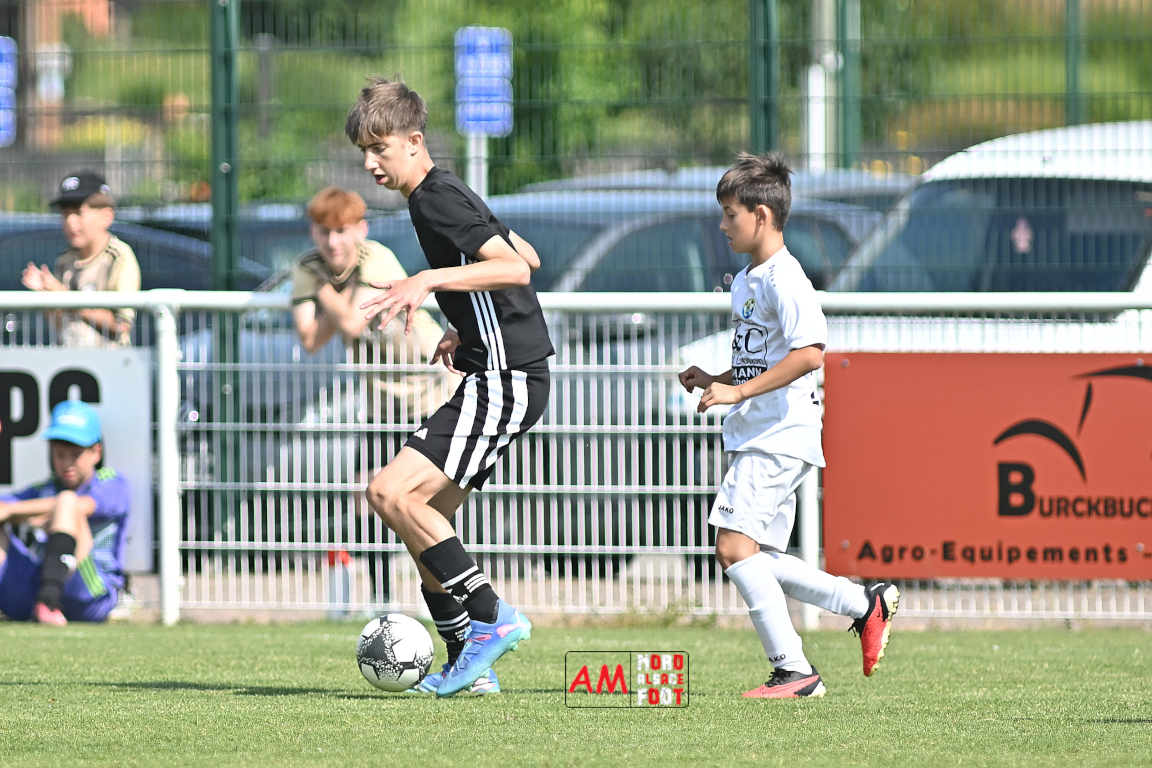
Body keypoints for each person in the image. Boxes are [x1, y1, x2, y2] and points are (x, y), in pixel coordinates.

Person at [346, 77, 553, 698]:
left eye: (379, 148)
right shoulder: (443, 191)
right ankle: (470, 661)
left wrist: (426, 281)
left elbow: (514, 269)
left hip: (506, 378)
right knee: (425, 518)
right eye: (365, 151)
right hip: (504, 371)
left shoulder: (435, 198)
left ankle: (492, 617)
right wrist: (466, 329)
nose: (370, 163)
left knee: (387, 491)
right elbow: (528, 254)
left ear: (414, 141)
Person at [678, 152, 898, 698]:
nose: (722, 225)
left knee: (732, 548)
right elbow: (763, 359)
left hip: (777, 435)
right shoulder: (748, 278)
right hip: (762, 433)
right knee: (759, 557)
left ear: (761, 215)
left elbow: (809, 353)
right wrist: (717, 378)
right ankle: (862, 603)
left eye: (729, 214)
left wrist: (738, 392)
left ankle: (794, 671)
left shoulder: (786, 277)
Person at [290, 185, 459, 604]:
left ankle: (446, 595)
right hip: (382, 406)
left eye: (342, 231)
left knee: (431, 506)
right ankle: (383, 596)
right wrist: (327, 290)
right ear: (313, 233)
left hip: (430, 395)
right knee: (369, 499)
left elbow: (351, 322)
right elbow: (310, 340)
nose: (333, 242)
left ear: (360, 230)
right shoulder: (310, 267)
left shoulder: (375, 258)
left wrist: (321, 290)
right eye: (325, 231)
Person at [0, 401, 130, 625]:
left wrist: (16, 511)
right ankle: (43, 604)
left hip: (92, 595)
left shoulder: (112, 483)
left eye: (76, 454)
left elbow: (78, 506)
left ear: (96, 452)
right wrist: (16, 512)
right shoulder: (45, 488)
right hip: (35, 587)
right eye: (60, 454)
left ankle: (48, 601)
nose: (67, 464)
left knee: (67, 501)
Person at [21, 171, 142, 348]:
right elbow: (59, 325)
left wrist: (66, 297)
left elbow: (121, 325)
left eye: (79, 212)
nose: (70, 222)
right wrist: (48, 296)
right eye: (65, 214)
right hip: (71, 360)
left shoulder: (118, 257)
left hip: (110, 362)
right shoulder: (65, 260)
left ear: (106, 217)